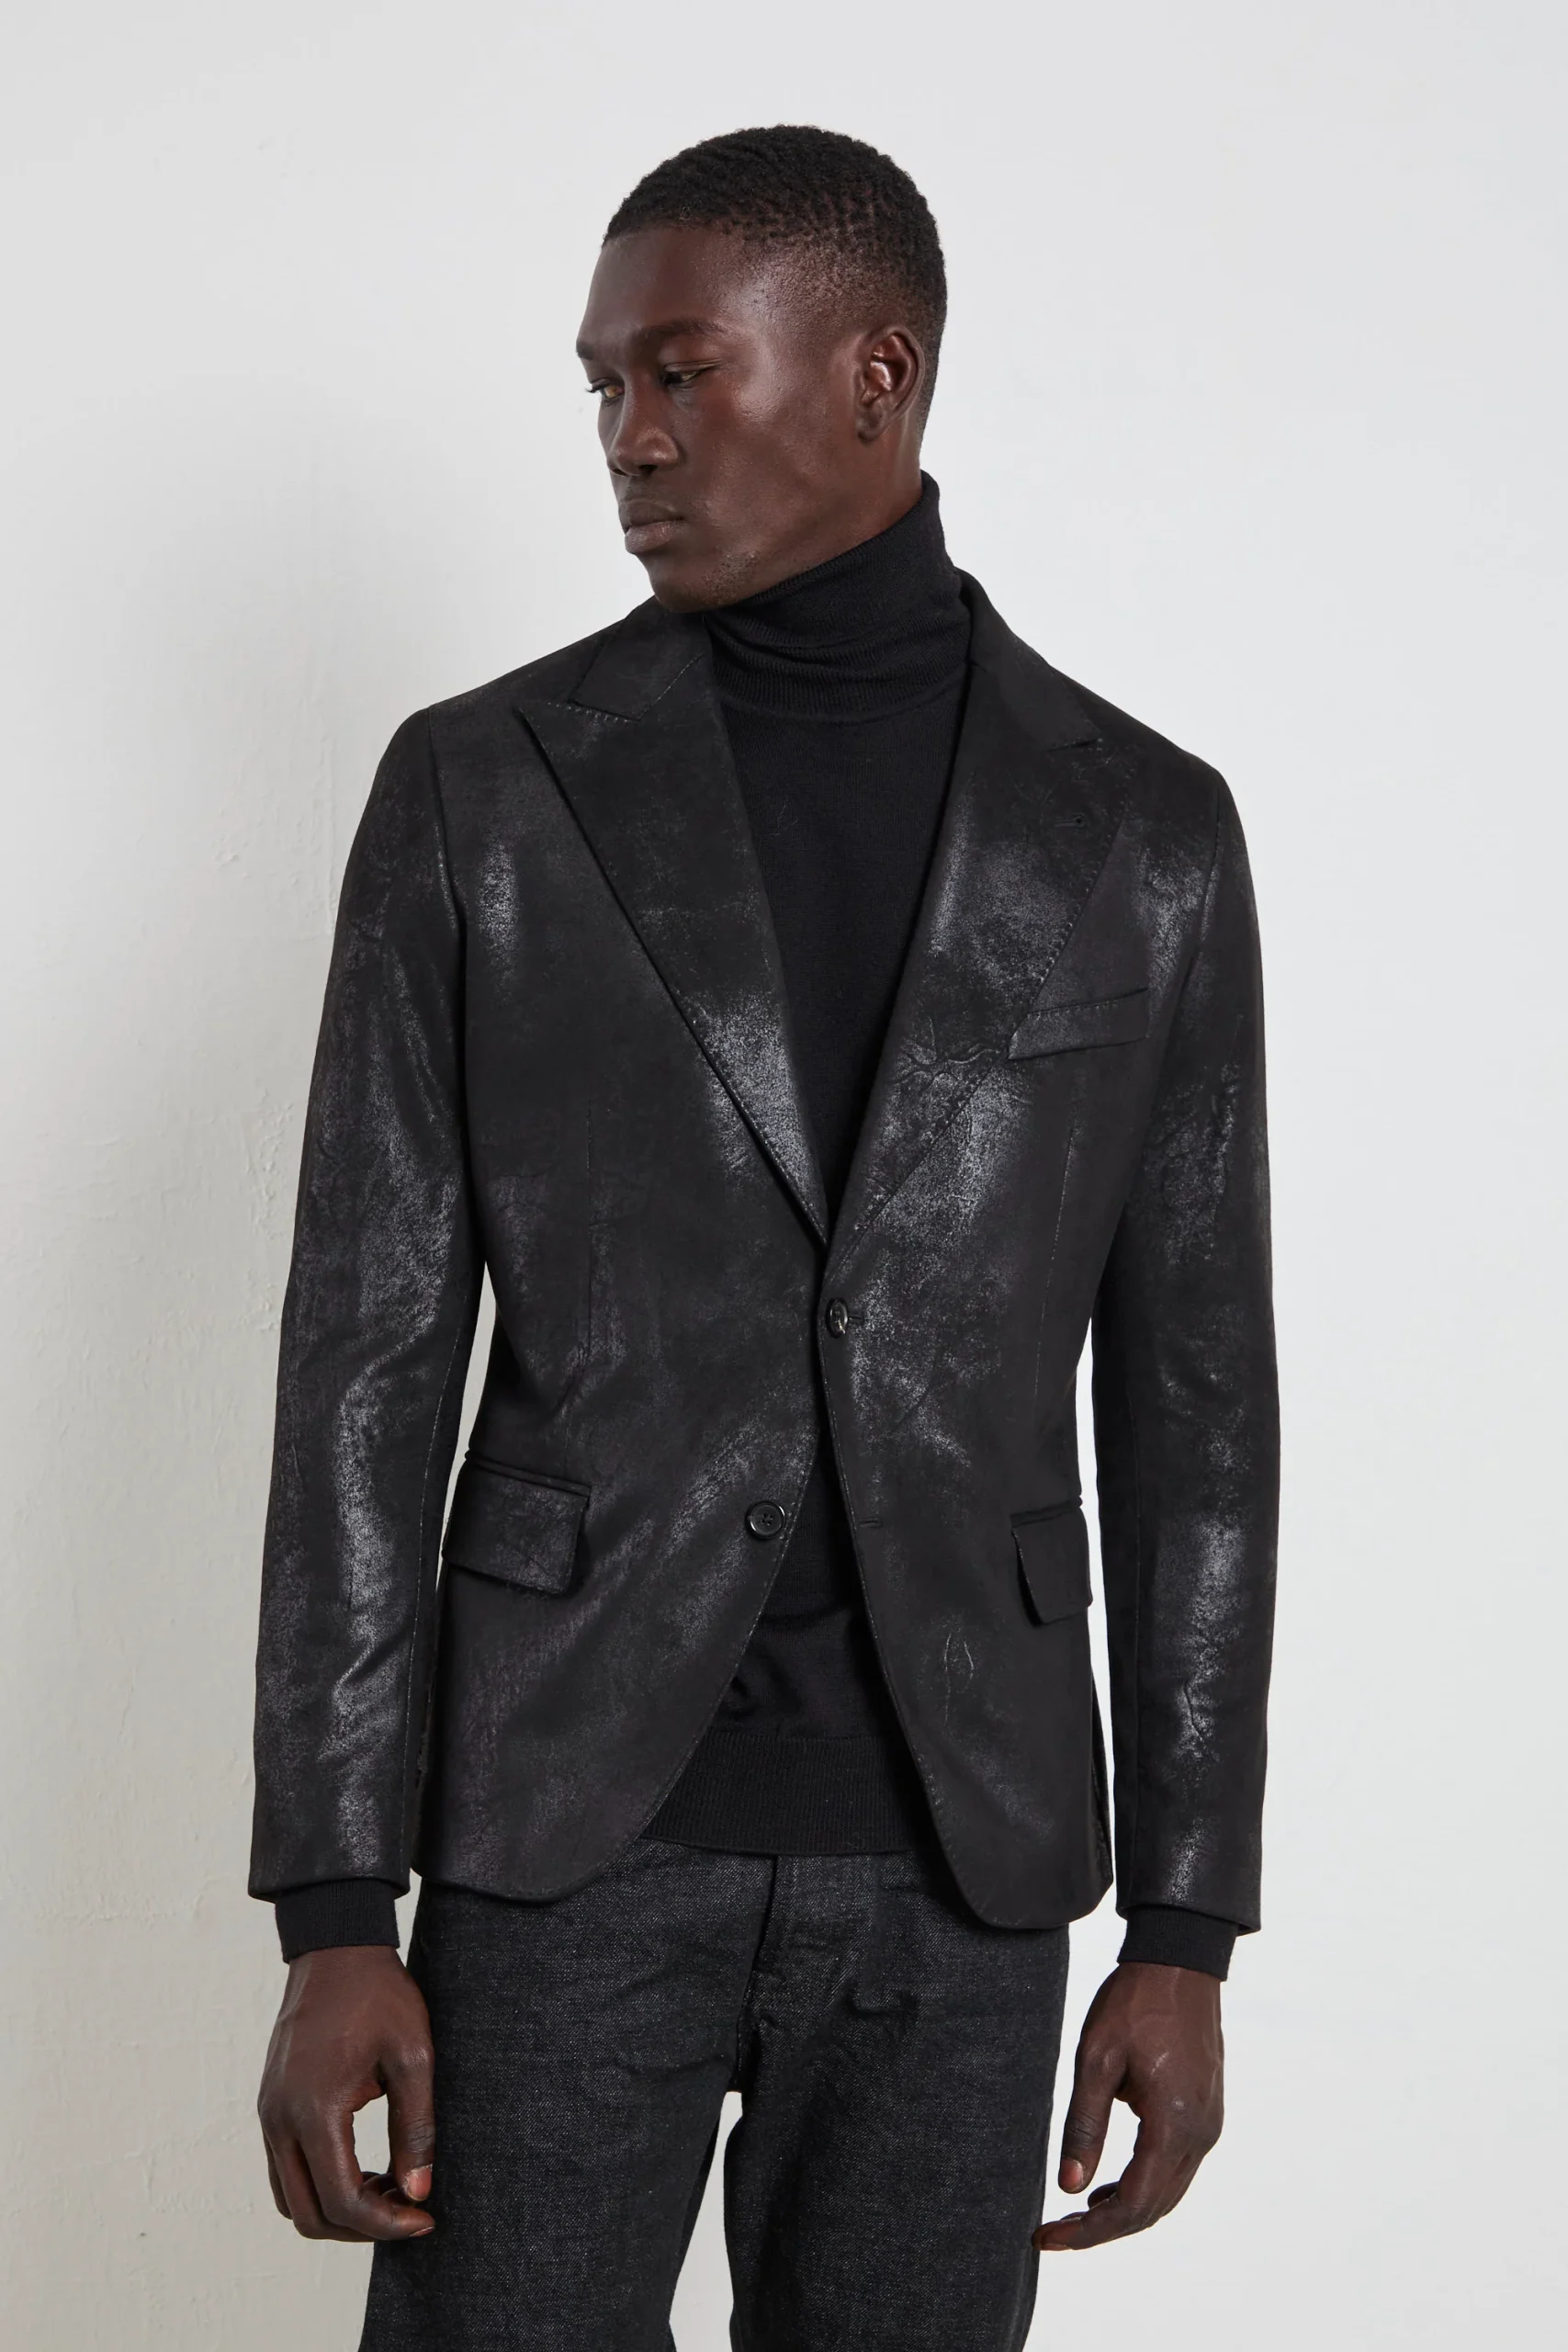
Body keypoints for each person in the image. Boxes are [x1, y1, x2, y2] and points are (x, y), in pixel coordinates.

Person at [251, 125, 1278, 2352]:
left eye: (681, 373)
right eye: (603, 386)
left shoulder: (1140, 833)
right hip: (558, 1836)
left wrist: (1186, 1926)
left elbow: (1197, 1409)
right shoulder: (481, 790)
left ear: (875, 374)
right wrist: (332, 1900)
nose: (628, 438)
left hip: (961, 1859)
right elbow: (362, 1360)